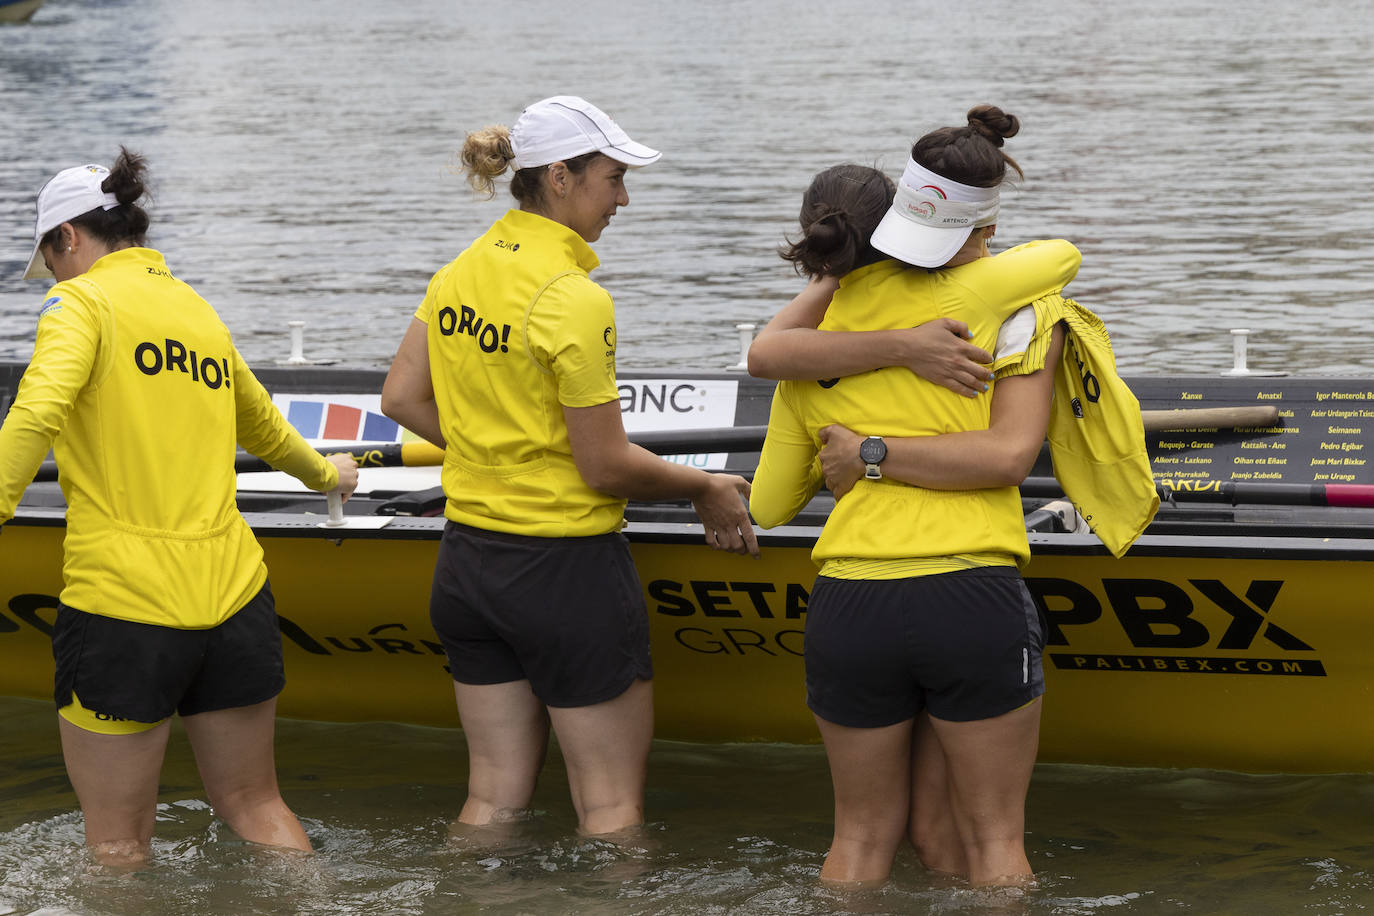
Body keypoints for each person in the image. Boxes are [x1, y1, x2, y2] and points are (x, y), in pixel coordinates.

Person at [380, 96, 758, 838]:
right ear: (559, 177)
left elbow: (400, 396)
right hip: (563, 572)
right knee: (611, 811)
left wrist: (496, 452)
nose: (623, 198)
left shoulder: (460, 270)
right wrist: (707, 487)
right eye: (613, 178)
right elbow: (606, 465)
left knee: (490, 799)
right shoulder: (572, 296)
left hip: (467, 563)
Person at [750, 106, 1084, 888]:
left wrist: (855, 453)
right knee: (996, 844)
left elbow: (767, 507)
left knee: (860, 842)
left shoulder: (812, 353)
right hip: (968, 596)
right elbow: (1062, 256)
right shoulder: (990, 300)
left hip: (852, 607)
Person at [0, 149, 359, 868]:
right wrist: (329, 474)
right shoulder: (196, 310)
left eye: (53, 258)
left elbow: (34, 415)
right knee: (258, 808)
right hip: (235, 602)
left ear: (68, 237)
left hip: (124, 607)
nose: (57, 278)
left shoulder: (79, 304)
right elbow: (261, 426)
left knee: (117, 844)